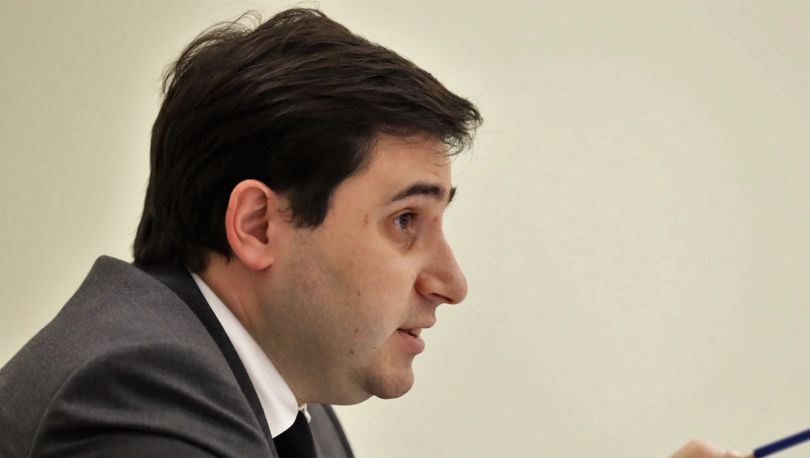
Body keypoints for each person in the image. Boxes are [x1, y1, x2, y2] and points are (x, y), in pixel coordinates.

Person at [0, 7, 738, 458]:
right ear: (258, 225)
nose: (451, 284)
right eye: (405, 221)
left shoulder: (289, 393)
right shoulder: (140, 390)